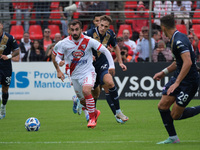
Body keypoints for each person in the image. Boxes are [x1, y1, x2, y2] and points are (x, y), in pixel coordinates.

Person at [55, 20, 115, 128]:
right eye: (72, 30)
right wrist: (59, 62)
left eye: (77, 29)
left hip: (88, 72)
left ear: (81, 30)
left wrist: (111, 66)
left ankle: (92, 119)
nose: (74, 32)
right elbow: (57, 56)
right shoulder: (64, 43)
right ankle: (95, 112)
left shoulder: (88, 40)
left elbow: (105, 50)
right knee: (83, 102)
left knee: (86, 90)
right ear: (69, 30)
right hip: (74, 75)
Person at [153, 15, 200, 144]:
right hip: (179, 76)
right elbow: (178, 63)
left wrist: (177, 82)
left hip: (189, 82)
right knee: (162, 105)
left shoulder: (178, 41)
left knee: (175, 115)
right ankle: (173, 138)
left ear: (163, 27)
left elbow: (188, 62)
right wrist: (163, 72)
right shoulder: (176, 37)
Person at [84, 15, 129, 123]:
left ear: (109, 27)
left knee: (110, 83)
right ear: (98, 24)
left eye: (106, 26)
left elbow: (116, 47)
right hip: (90, 67)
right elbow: (81, 47)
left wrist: (120, 62)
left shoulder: (110, 34)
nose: (103, 28)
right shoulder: (89, 34)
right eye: (102, 25)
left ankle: (118, 111)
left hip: (103, 64)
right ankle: (92, 116)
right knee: (95, 94)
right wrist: (88, 56)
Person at [0, 21, 20, 119]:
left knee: (5, 89)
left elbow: (17, 50)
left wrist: (8, 56)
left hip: (6, 67)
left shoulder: (8, 37)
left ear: (2, 26)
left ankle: (3, 107)